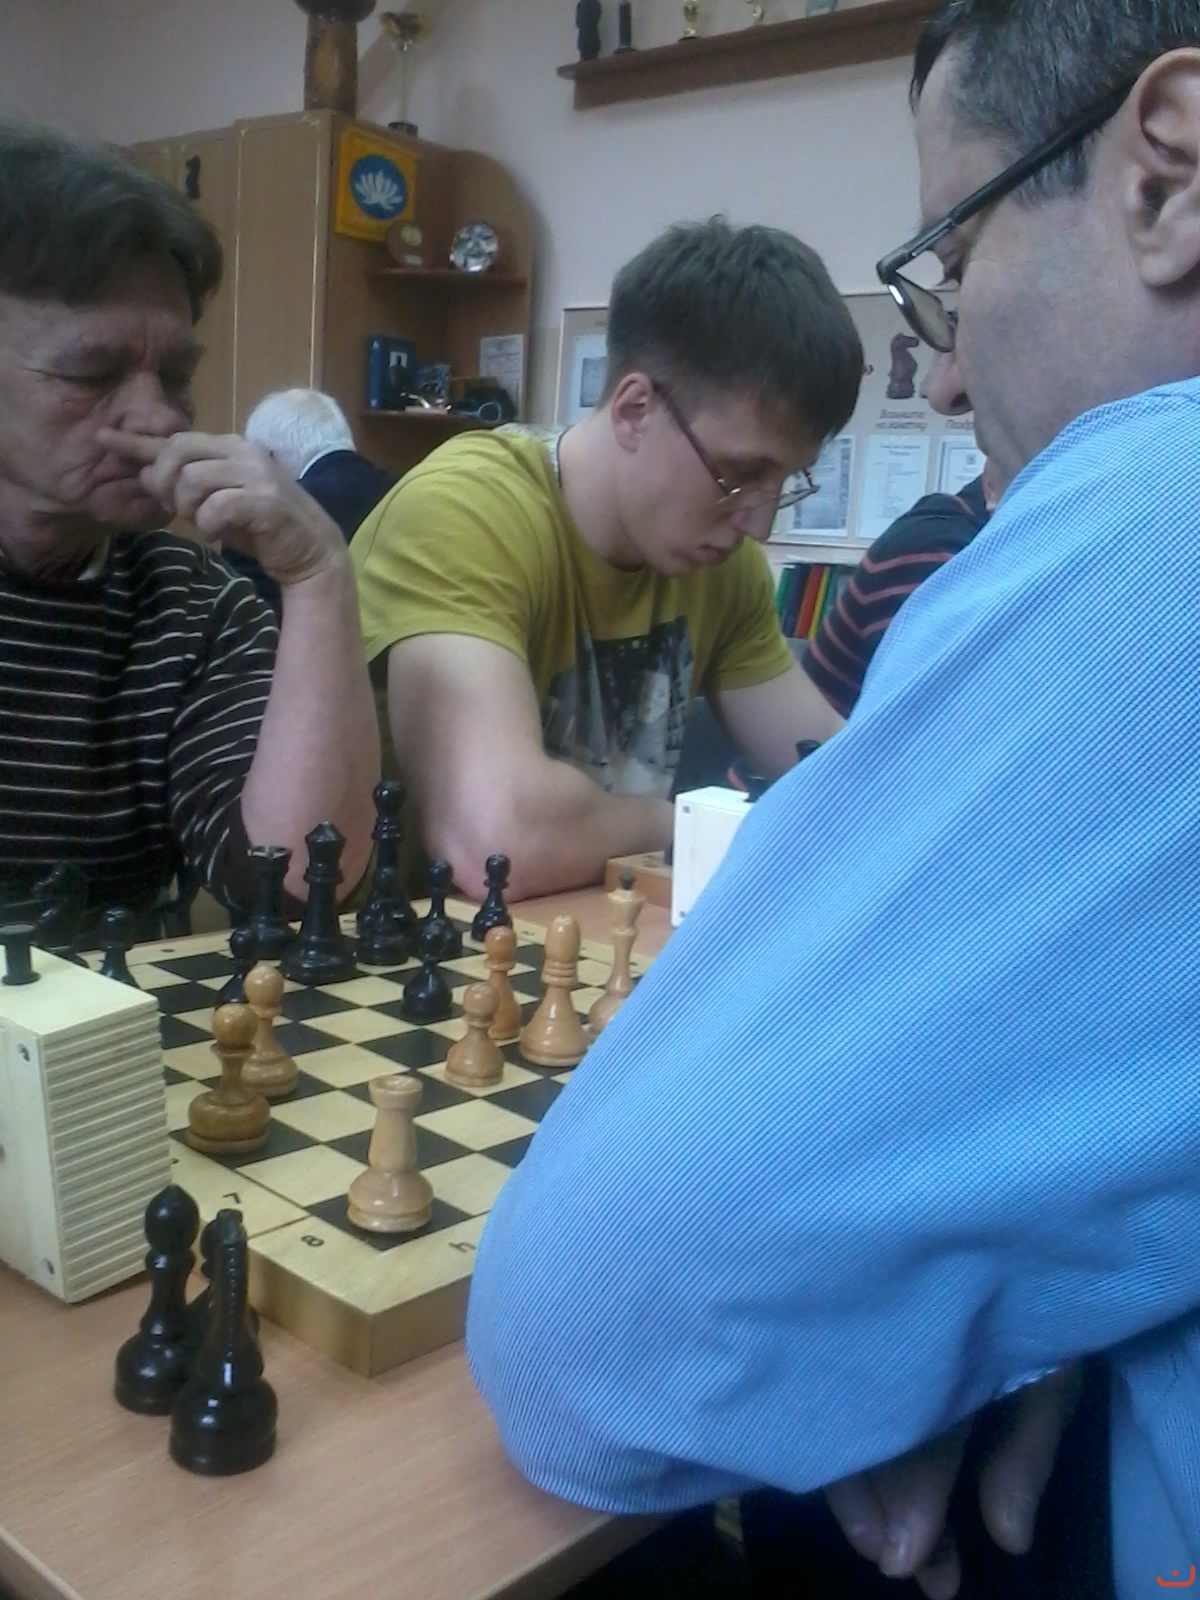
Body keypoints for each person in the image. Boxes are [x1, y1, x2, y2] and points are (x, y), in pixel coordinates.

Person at [463, 4, 1200, 1599]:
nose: (947, 378)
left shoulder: (1167, 505)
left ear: (1169, 172)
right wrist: (1056, 1307)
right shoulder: (482, 500)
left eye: (954, 254)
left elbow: (576, 1315)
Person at [349, 217, 864, 901]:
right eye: (740, 473)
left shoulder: (720, 561)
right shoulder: (463, 512)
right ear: (634, 409)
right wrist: (685, 824)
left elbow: (842, 781)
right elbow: (495, 842)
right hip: (406, 955)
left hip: (582, 942)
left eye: (785, 482)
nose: (759, 524)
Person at [0, 123, 380, 943]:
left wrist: (319, 574)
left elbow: (297, 886)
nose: (159, 417)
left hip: (105, 1027)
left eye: (175, 375)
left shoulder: (194, 606)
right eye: (92, 373)